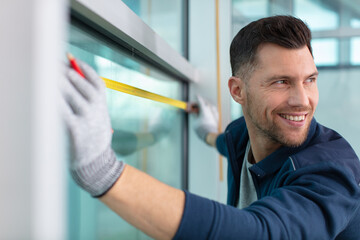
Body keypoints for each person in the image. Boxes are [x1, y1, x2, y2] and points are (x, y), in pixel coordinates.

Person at [61, 15, 360, 239]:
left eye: (310, 79)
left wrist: (103, 173)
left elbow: (262, 233)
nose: (302, 100)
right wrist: (205, 132)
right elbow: (224, 142)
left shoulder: (330, 171)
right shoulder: (244, 134)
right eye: (281, 82)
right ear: (238, 91)